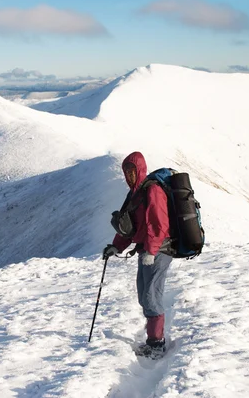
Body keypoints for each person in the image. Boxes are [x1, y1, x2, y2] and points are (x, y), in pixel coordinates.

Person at [102, 151, 172, 357]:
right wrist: (117, 246)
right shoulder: (134, 194)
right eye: (126, 171)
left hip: (159, 249)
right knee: (143, 294)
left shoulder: (152, 190)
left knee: (151, 295)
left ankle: (156, 344)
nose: (129, 175)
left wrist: (151, 250)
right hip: (146, 250)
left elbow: (158, 225)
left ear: (140, 169)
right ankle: (154, 338)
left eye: (132, 170)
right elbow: (130, 227)